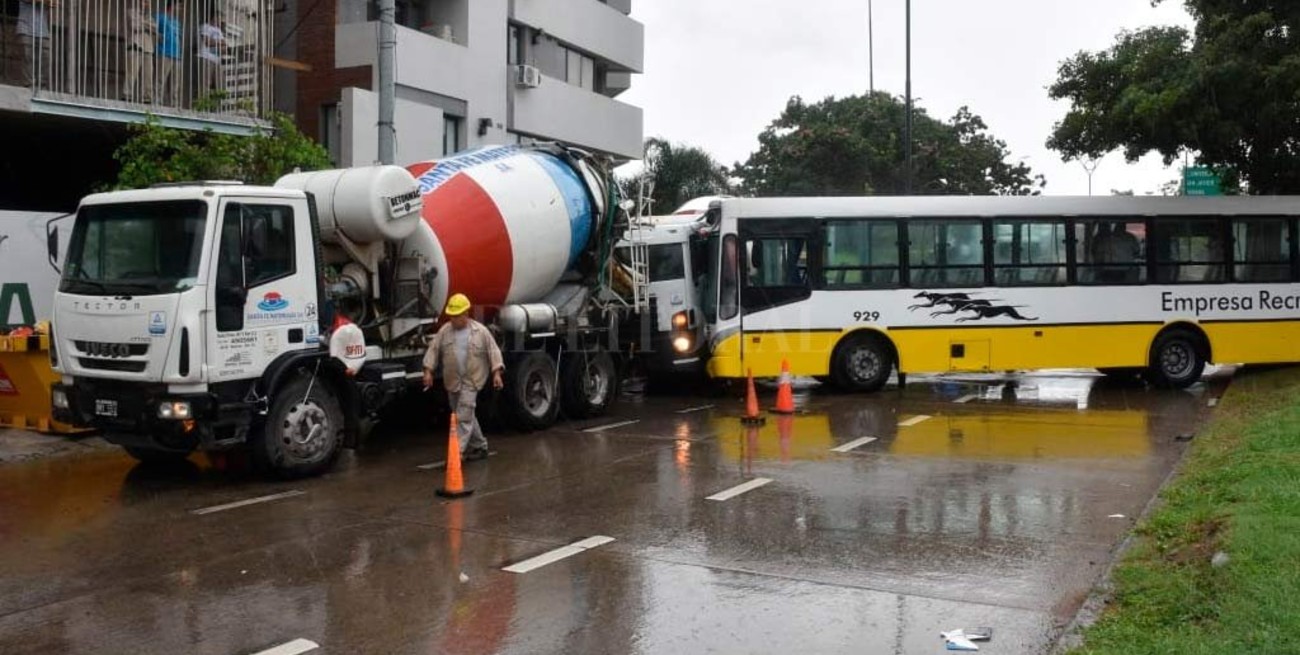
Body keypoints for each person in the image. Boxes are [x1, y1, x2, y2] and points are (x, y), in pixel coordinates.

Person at [422, 294, 504, 462]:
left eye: (456, 315)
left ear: (466, 314)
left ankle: (457, 453)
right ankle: (480, 446)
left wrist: (496, 374)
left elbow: (493, 351)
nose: (453, 319)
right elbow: (434, 350)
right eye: (451, 315)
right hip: (453, 381)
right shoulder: (445, 331)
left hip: (472, 380)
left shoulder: (480, 332)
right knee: (464, 414)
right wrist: (428, 371)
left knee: (463, 416)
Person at [123, 0, 156, 103]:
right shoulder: (131, 12)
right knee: (132, 73)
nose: (146, 4)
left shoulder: (149, 16)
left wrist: (142, 22)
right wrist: (147, 26)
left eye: (147, 2)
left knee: (148, 74)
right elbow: (134, 26)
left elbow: (155, 28)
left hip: (148, 47)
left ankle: (147, 97)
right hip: (135, 45)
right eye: (144, 2)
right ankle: (127, 95)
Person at [16, 0, 53, 90]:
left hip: (43, 31)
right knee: (27, 57)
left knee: (45, 58)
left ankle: (42, 85)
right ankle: (28, 84)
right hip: (25, 28)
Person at [156, 1, 182, 106]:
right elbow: (154, 31)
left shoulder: (177, 22)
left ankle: (174, 103)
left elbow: (179, 37)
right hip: (164, 52)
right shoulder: (160, 17)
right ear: (172, 6)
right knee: (160, 79)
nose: (180, 8)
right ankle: (157, 101)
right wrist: (159, 38)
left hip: (176, 54)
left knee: (175, 82)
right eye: (179, 6)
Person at [196, 11, 225, 105]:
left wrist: (218, 43)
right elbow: (207, 42)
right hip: (205, 57)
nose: (220, 20)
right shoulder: (205, 27)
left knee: (219, 84)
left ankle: (216, 107)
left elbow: (224, 47)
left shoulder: (219, 31)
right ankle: (203, 104)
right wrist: (220, 43)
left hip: (216, 60)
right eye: (219, 18)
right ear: (214, 17)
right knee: (205, 84)